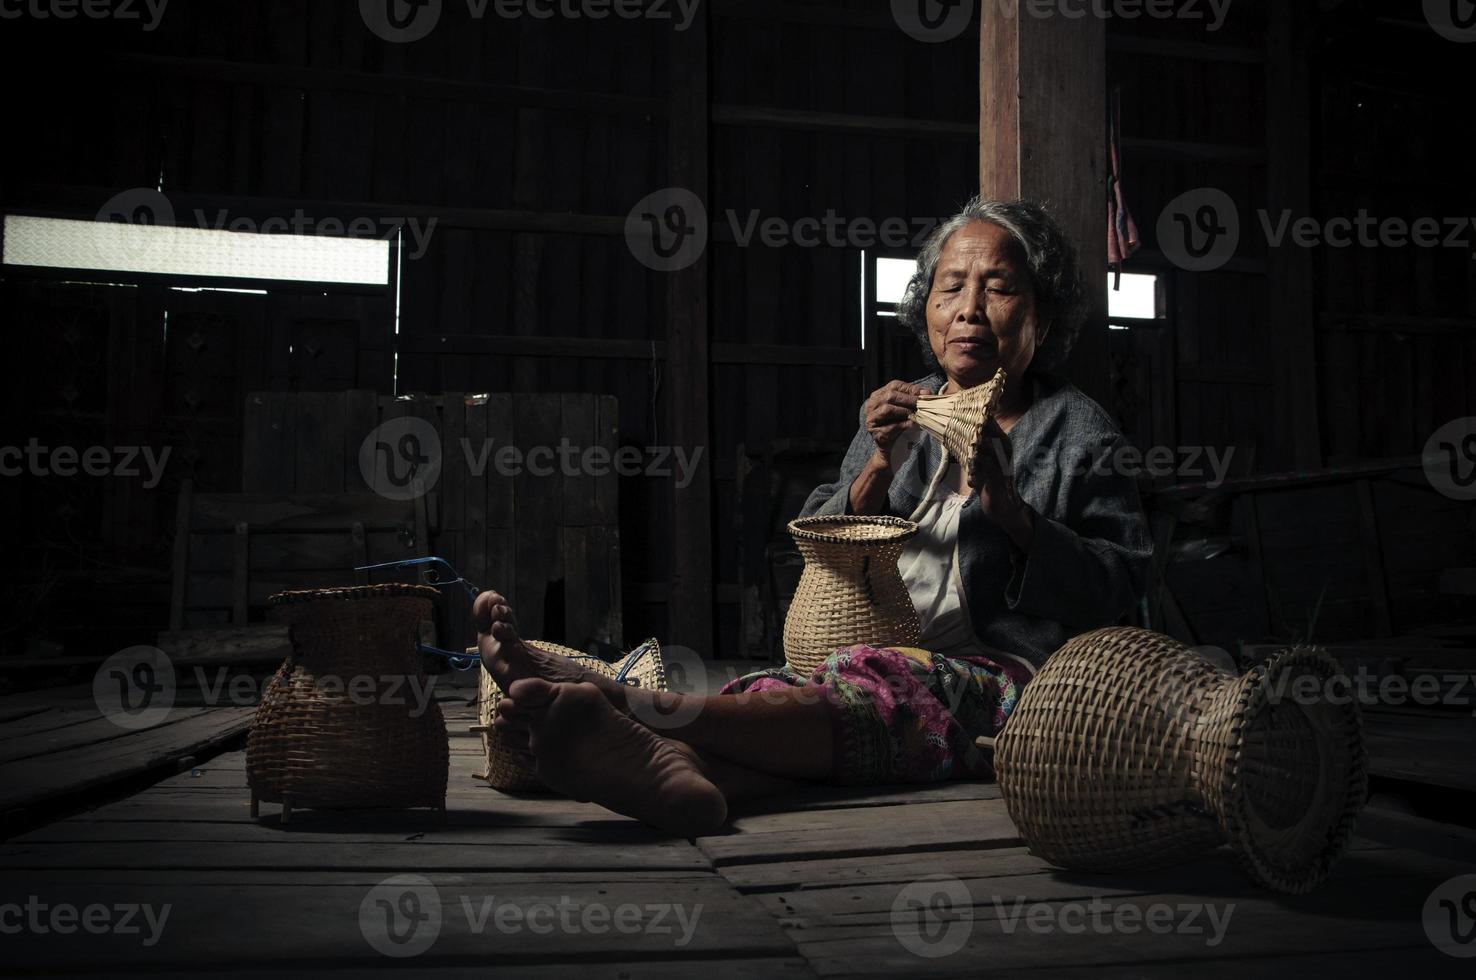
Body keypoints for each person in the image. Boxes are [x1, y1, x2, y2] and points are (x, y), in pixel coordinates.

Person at [479, 196, 1153, 837]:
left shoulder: (1078, 432)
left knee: (889, 687)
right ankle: (682, 772)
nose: (969, 310)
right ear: (927, 313)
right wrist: (876, 468)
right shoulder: (904, 409)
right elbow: (817, 543)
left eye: (999, 286)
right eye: (951, 288)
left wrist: (1013, 516)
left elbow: (1122, 584)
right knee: (784, 688)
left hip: (1002, 675)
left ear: (1042, 313)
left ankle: (631, 708)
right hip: (867, 654)